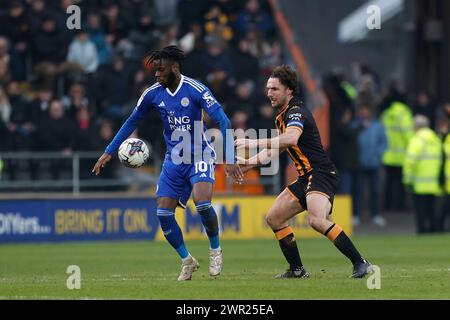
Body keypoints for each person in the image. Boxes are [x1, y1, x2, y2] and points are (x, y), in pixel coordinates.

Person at [92, 46, 242, 281]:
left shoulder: (196, 90)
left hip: (200, 155)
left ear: (175, 67)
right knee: (163, 213)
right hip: (174, 158)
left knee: (202, 203)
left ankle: (215, 251)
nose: (156, 74)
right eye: (155, 70)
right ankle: (187, 260)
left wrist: (230, 157)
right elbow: (131, 121)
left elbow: (223, 120)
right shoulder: (152, 94)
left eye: (160, 70)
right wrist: (109, 151)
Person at [235, 65, 372, 278]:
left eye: (274, 89)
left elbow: (291, 139)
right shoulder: (281, 117)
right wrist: (249, 163)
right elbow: (278, 148)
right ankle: (297, 270)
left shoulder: (296, 111)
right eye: (268, 88)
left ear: (289, 90)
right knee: (274, 218)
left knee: (316, 220)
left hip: (321, 173)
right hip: (305, 177)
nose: (269, 93)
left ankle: (361, 262)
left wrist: (251, 142)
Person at [403, 115, 442, 234]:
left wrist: (407, 181)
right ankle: (433, 230)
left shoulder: (416, 140)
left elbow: (410, 162)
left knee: (420, 210)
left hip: (419, 183)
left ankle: (422, 230)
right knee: (431, 209)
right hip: (433, 182)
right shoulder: (436, 139)